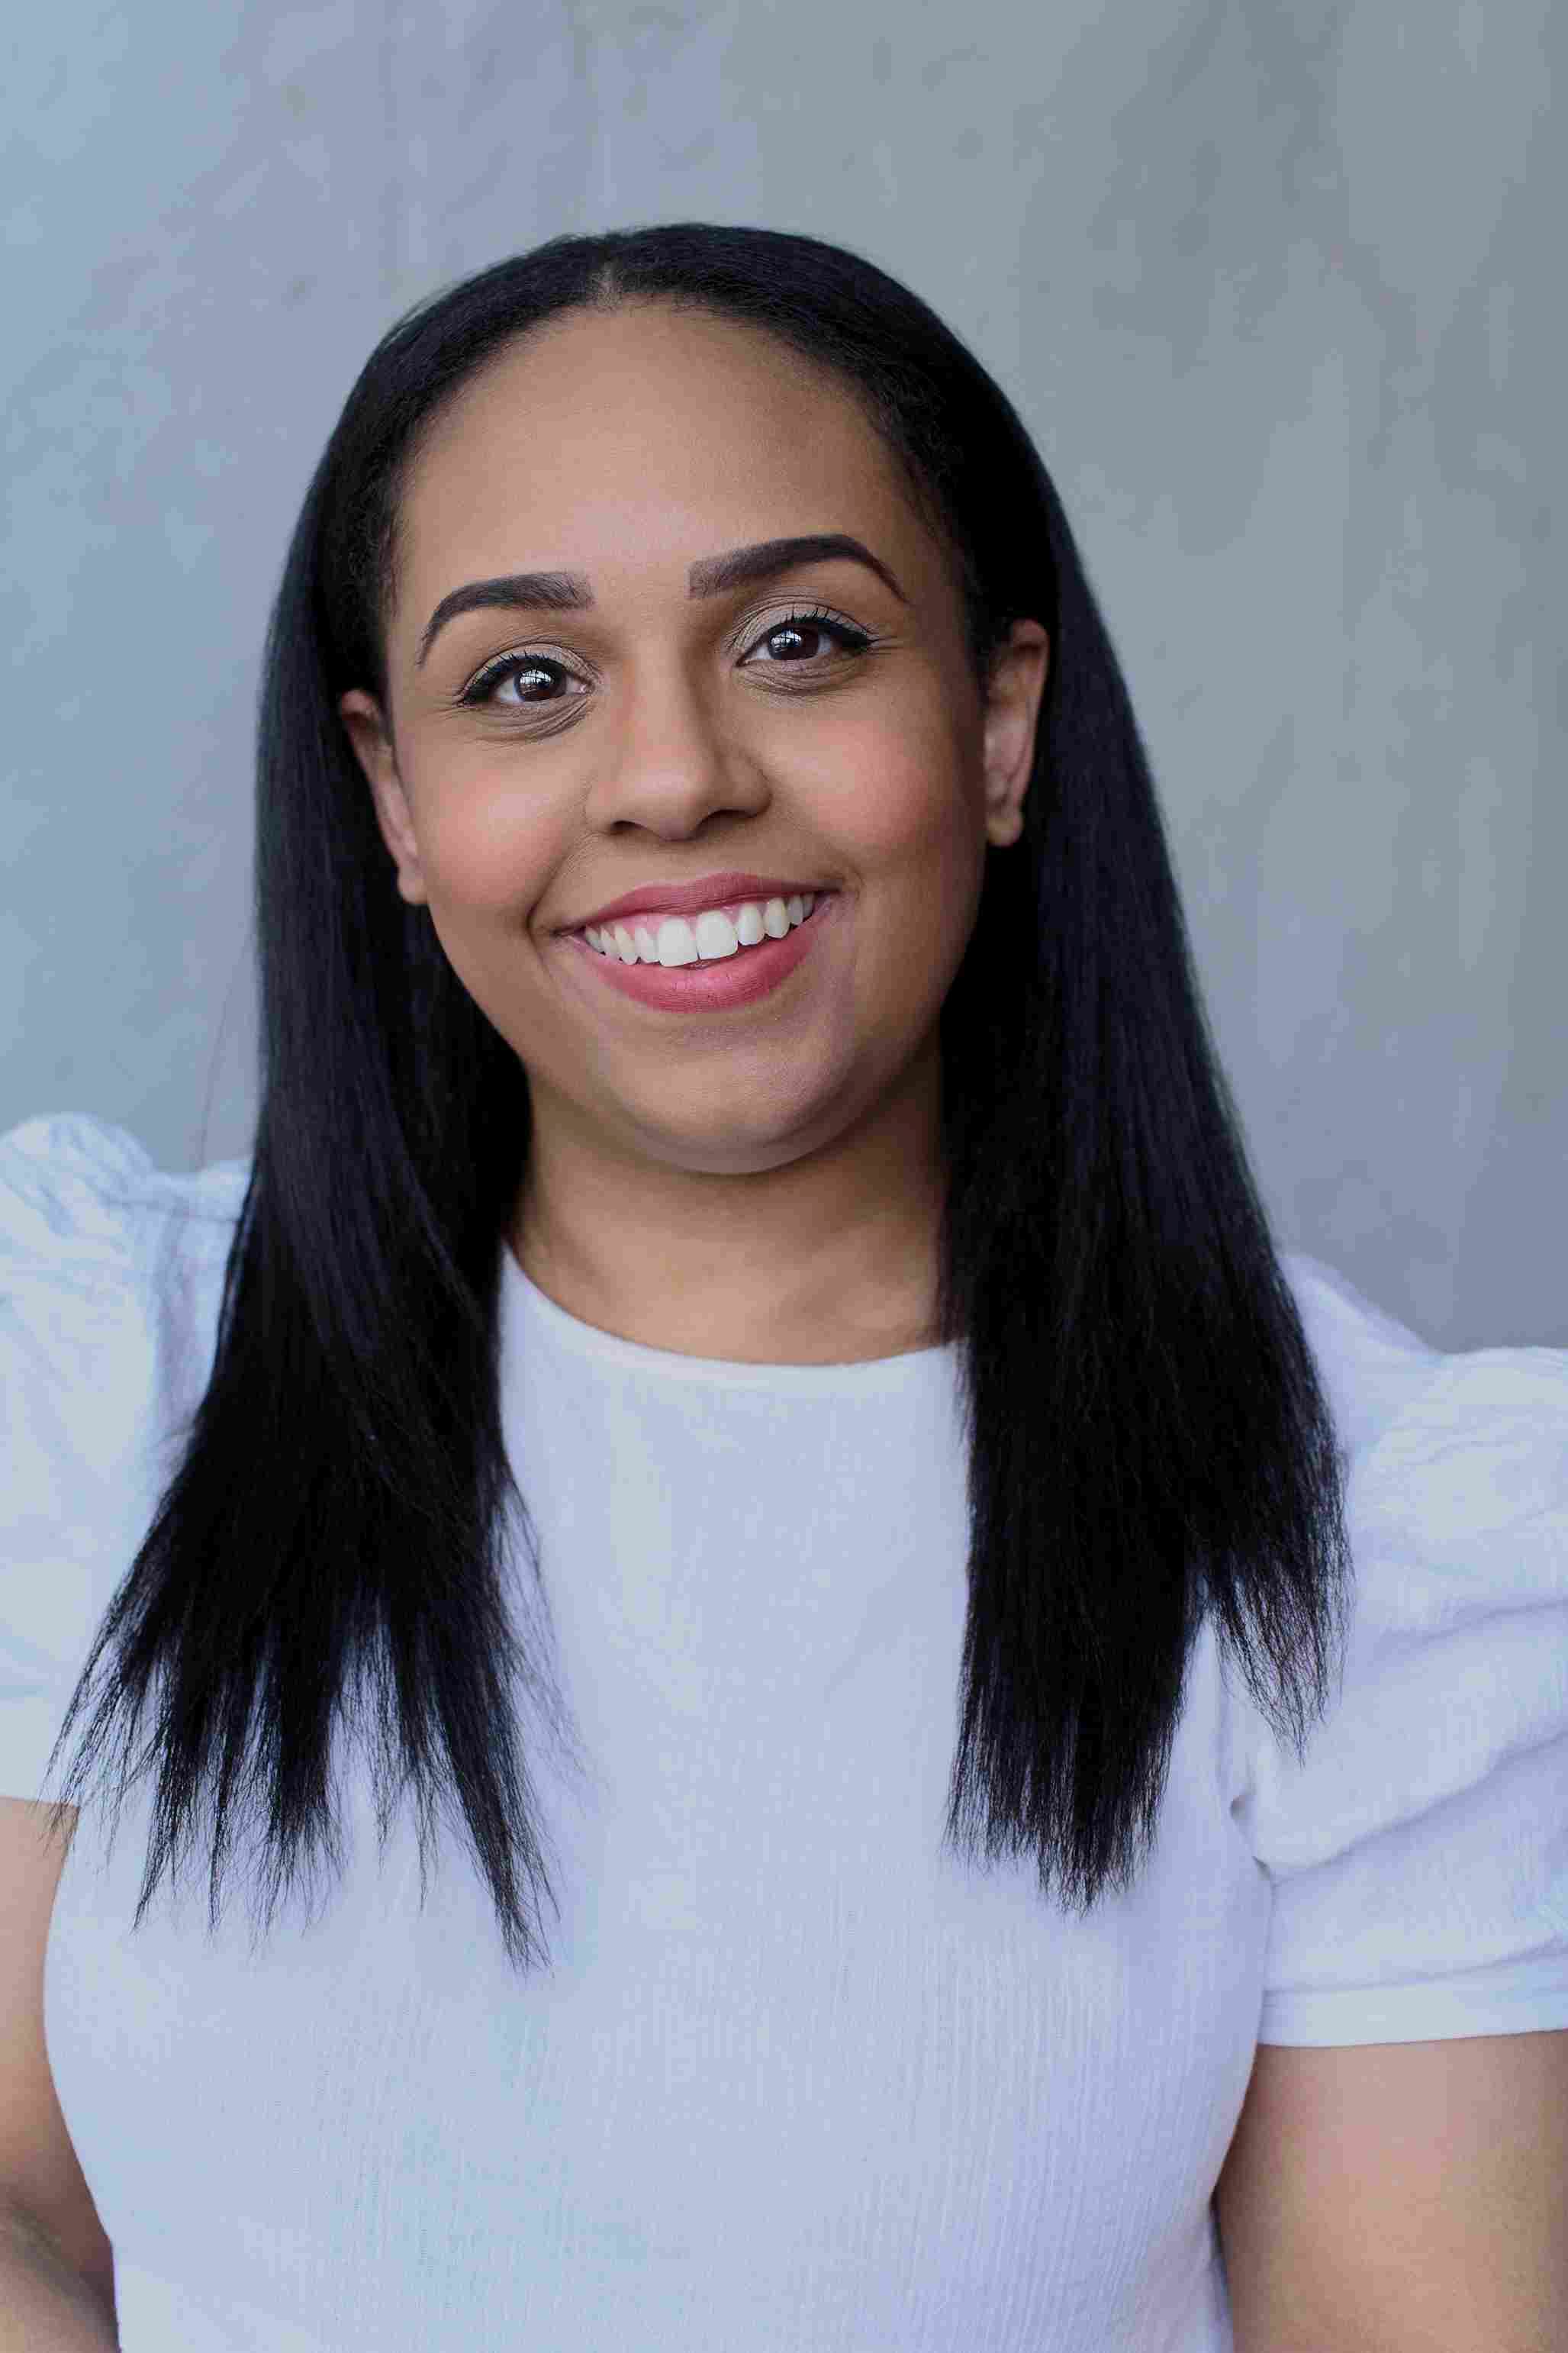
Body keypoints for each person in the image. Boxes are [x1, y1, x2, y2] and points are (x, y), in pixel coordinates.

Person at [2, 223, 1564, 2353]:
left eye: (801, 642)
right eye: (527, 681)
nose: (673, 779)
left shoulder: (1369, 1543)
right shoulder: (117, 1376)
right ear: (394, 796)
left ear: (1000, 720)